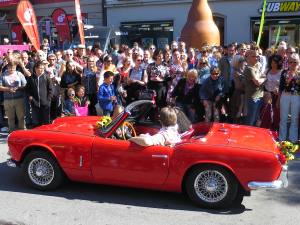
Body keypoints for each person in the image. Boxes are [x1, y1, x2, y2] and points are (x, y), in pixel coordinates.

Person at [278, 53, 300, 144]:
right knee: (283, 117)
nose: (292, 64)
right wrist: (278, 100)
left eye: (294, 62)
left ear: (298, 62)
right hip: (285, 95)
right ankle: (281, 138)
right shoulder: (284, 72)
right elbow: (281, 87)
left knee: (294, 118)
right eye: (290, 62)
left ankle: (293, 139)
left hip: (296, 96)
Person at [0, 62, 27, 132]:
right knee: (10, 118)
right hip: (7, 100)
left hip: (19, 98)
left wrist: (18, 88)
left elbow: (25, 85)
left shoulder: (19, 74)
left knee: (21, 117)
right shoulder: (3, 75)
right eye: (10, 67)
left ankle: (22, 131)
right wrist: (8, 89)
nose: (12, 69)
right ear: (7, 67)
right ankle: (11, 132)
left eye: (13, 67)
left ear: (15, 67)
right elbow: (0, 87)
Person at [26, 61, 53, 127]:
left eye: (42, 68)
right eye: (39, 68)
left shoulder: (47, 77)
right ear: (35, 68)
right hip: (35, 103)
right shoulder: (31, 78)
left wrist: (48, 100)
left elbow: (51, 90)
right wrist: (30, 97)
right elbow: (27, 89)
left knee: (46, 121)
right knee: (36, 121)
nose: (41, 70)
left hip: (45, 103)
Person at [243, 50, 265, 126]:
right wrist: (265, 79)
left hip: (259, 95)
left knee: (256, 118)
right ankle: (248, 135)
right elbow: (257, 82)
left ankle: (253, 135)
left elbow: (261, 78)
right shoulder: (249, 69)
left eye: (257, 56)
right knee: (251, 119)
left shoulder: (256, 67)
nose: (256, 58)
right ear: (248, 58)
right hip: (253, 97)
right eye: (254, 56)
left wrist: (262, 78)